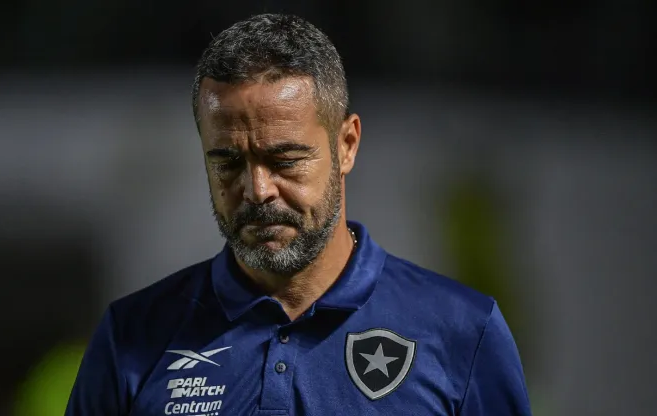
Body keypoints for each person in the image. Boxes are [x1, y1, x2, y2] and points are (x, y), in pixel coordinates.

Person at [66, 13, 531, 416]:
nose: (257, 190)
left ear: (346, 145)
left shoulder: (463, 331)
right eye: (227, 162)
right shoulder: (131, 336)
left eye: (285, 160)